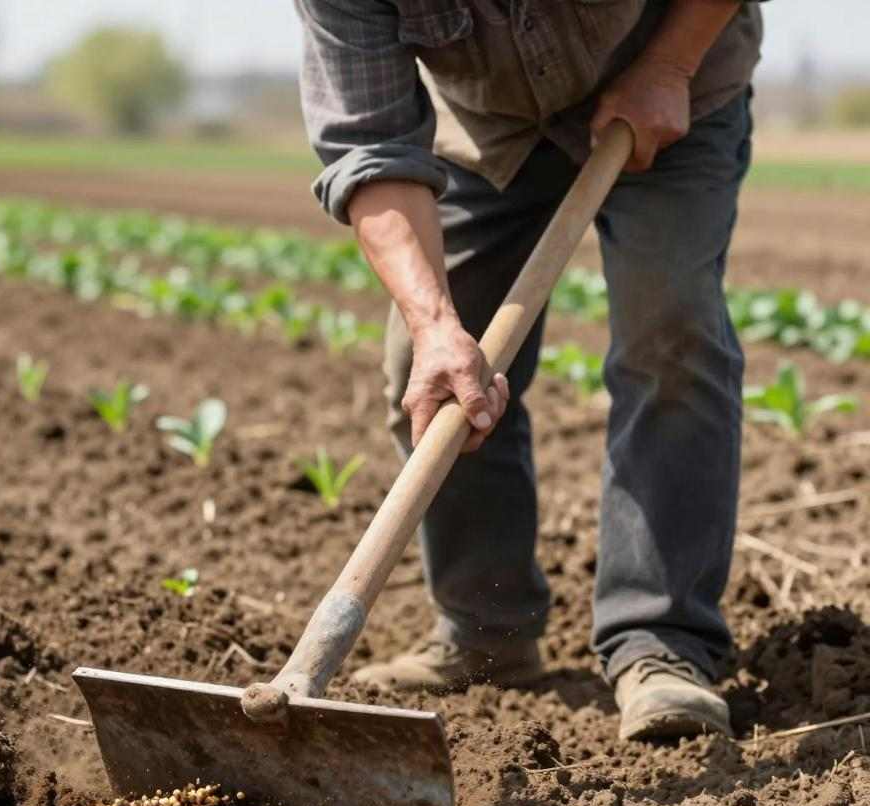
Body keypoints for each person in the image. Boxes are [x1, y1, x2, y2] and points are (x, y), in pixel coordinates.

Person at [293, 0, 768, 741]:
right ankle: (487, 634)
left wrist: (670, 64)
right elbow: (370, 144)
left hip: (670, 83)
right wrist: (435, 327)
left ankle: (662, 647)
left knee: (669, 331)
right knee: (427, 375)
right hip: (490, 131)